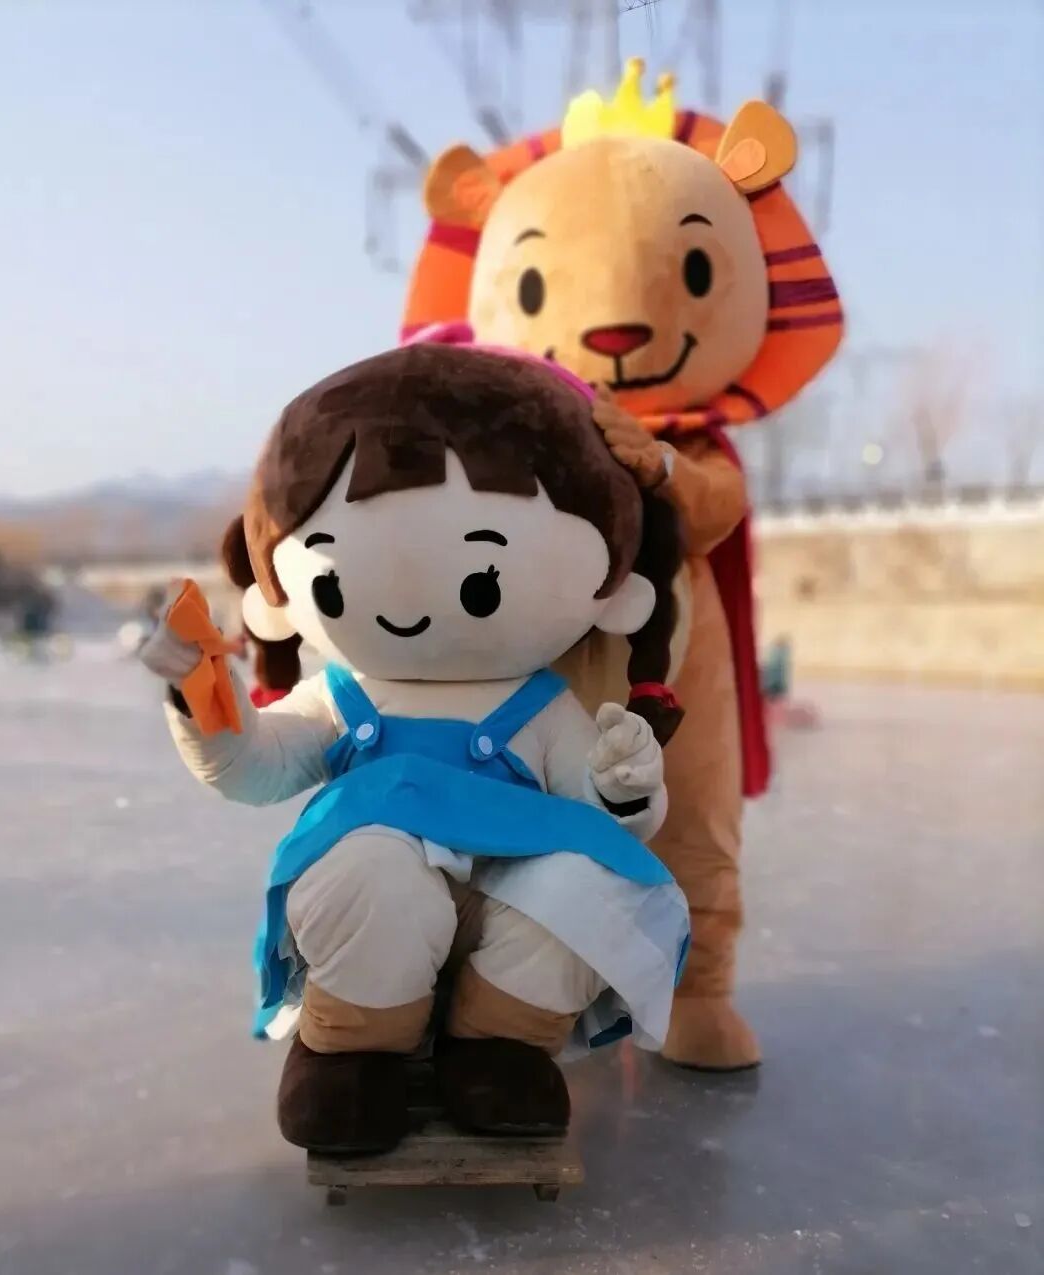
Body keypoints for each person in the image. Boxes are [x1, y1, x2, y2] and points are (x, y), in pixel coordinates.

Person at [140, 338, 690, 1154]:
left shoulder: (543, 707)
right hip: (381, 922)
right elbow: (254, 766)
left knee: (590, 877)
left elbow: (599, 813)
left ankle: (500, 1046)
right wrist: (199, 698)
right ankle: (353, 1049)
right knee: (371, 869)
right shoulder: (339, 695)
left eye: (482, 580)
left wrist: (623, 784)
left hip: (509, 914)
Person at [407, 60, 843, 1069]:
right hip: (535, 670)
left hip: (677, 674)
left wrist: (660, 467)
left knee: (691, 820)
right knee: (526, 820)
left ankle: (697, 989)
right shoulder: (512, 441)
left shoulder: (695, 447)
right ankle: (515, 993)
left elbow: (716, 507)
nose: (613, 325)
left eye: (692, 273)